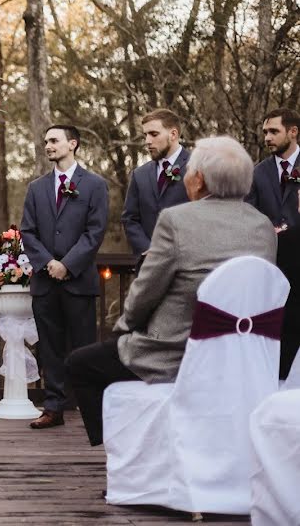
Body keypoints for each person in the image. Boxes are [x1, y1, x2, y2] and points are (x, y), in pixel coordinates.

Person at [67, 136, 276, 446]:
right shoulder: (262, 226)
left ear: (200, 180)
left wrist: (123, 328)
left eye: (191, 171)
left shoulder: (177, 220)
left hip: (178, 352)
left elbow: (146, 292)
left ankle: (125, 459)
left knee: (79, 364)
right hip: (241, 355)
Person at [20, 125, 109, 430]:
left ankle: (91, 410)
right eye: (45, 141)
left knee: (84, 348)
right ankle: (53, 407)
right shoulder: (36, 188)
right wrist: (47, 263)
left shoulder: (95, 185)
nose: (48, 145)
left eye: (54, 141)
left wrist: (68, 265)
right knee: (50, 347)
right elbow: (27, 232)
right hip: (45, 282)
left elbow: (95, 231)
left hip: (78, 281)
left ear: (73, 144)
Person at [246, 108, 300, 379]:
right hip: (271, 264)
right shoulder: (258, 173)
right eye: (265, 131)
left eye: (274, 131)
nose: (267, 137)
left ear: (293, 132)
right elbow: (247, 213)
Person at [121, 109, 190, 271]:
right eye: (145, 135)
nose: (147, 141)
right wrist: (148, 250)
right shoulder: (140, 174)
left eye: (153, 134)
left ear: (173, 134)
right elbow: (130, 219)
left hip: (186, 266)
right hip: (148, 268)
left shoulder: (197, 167)